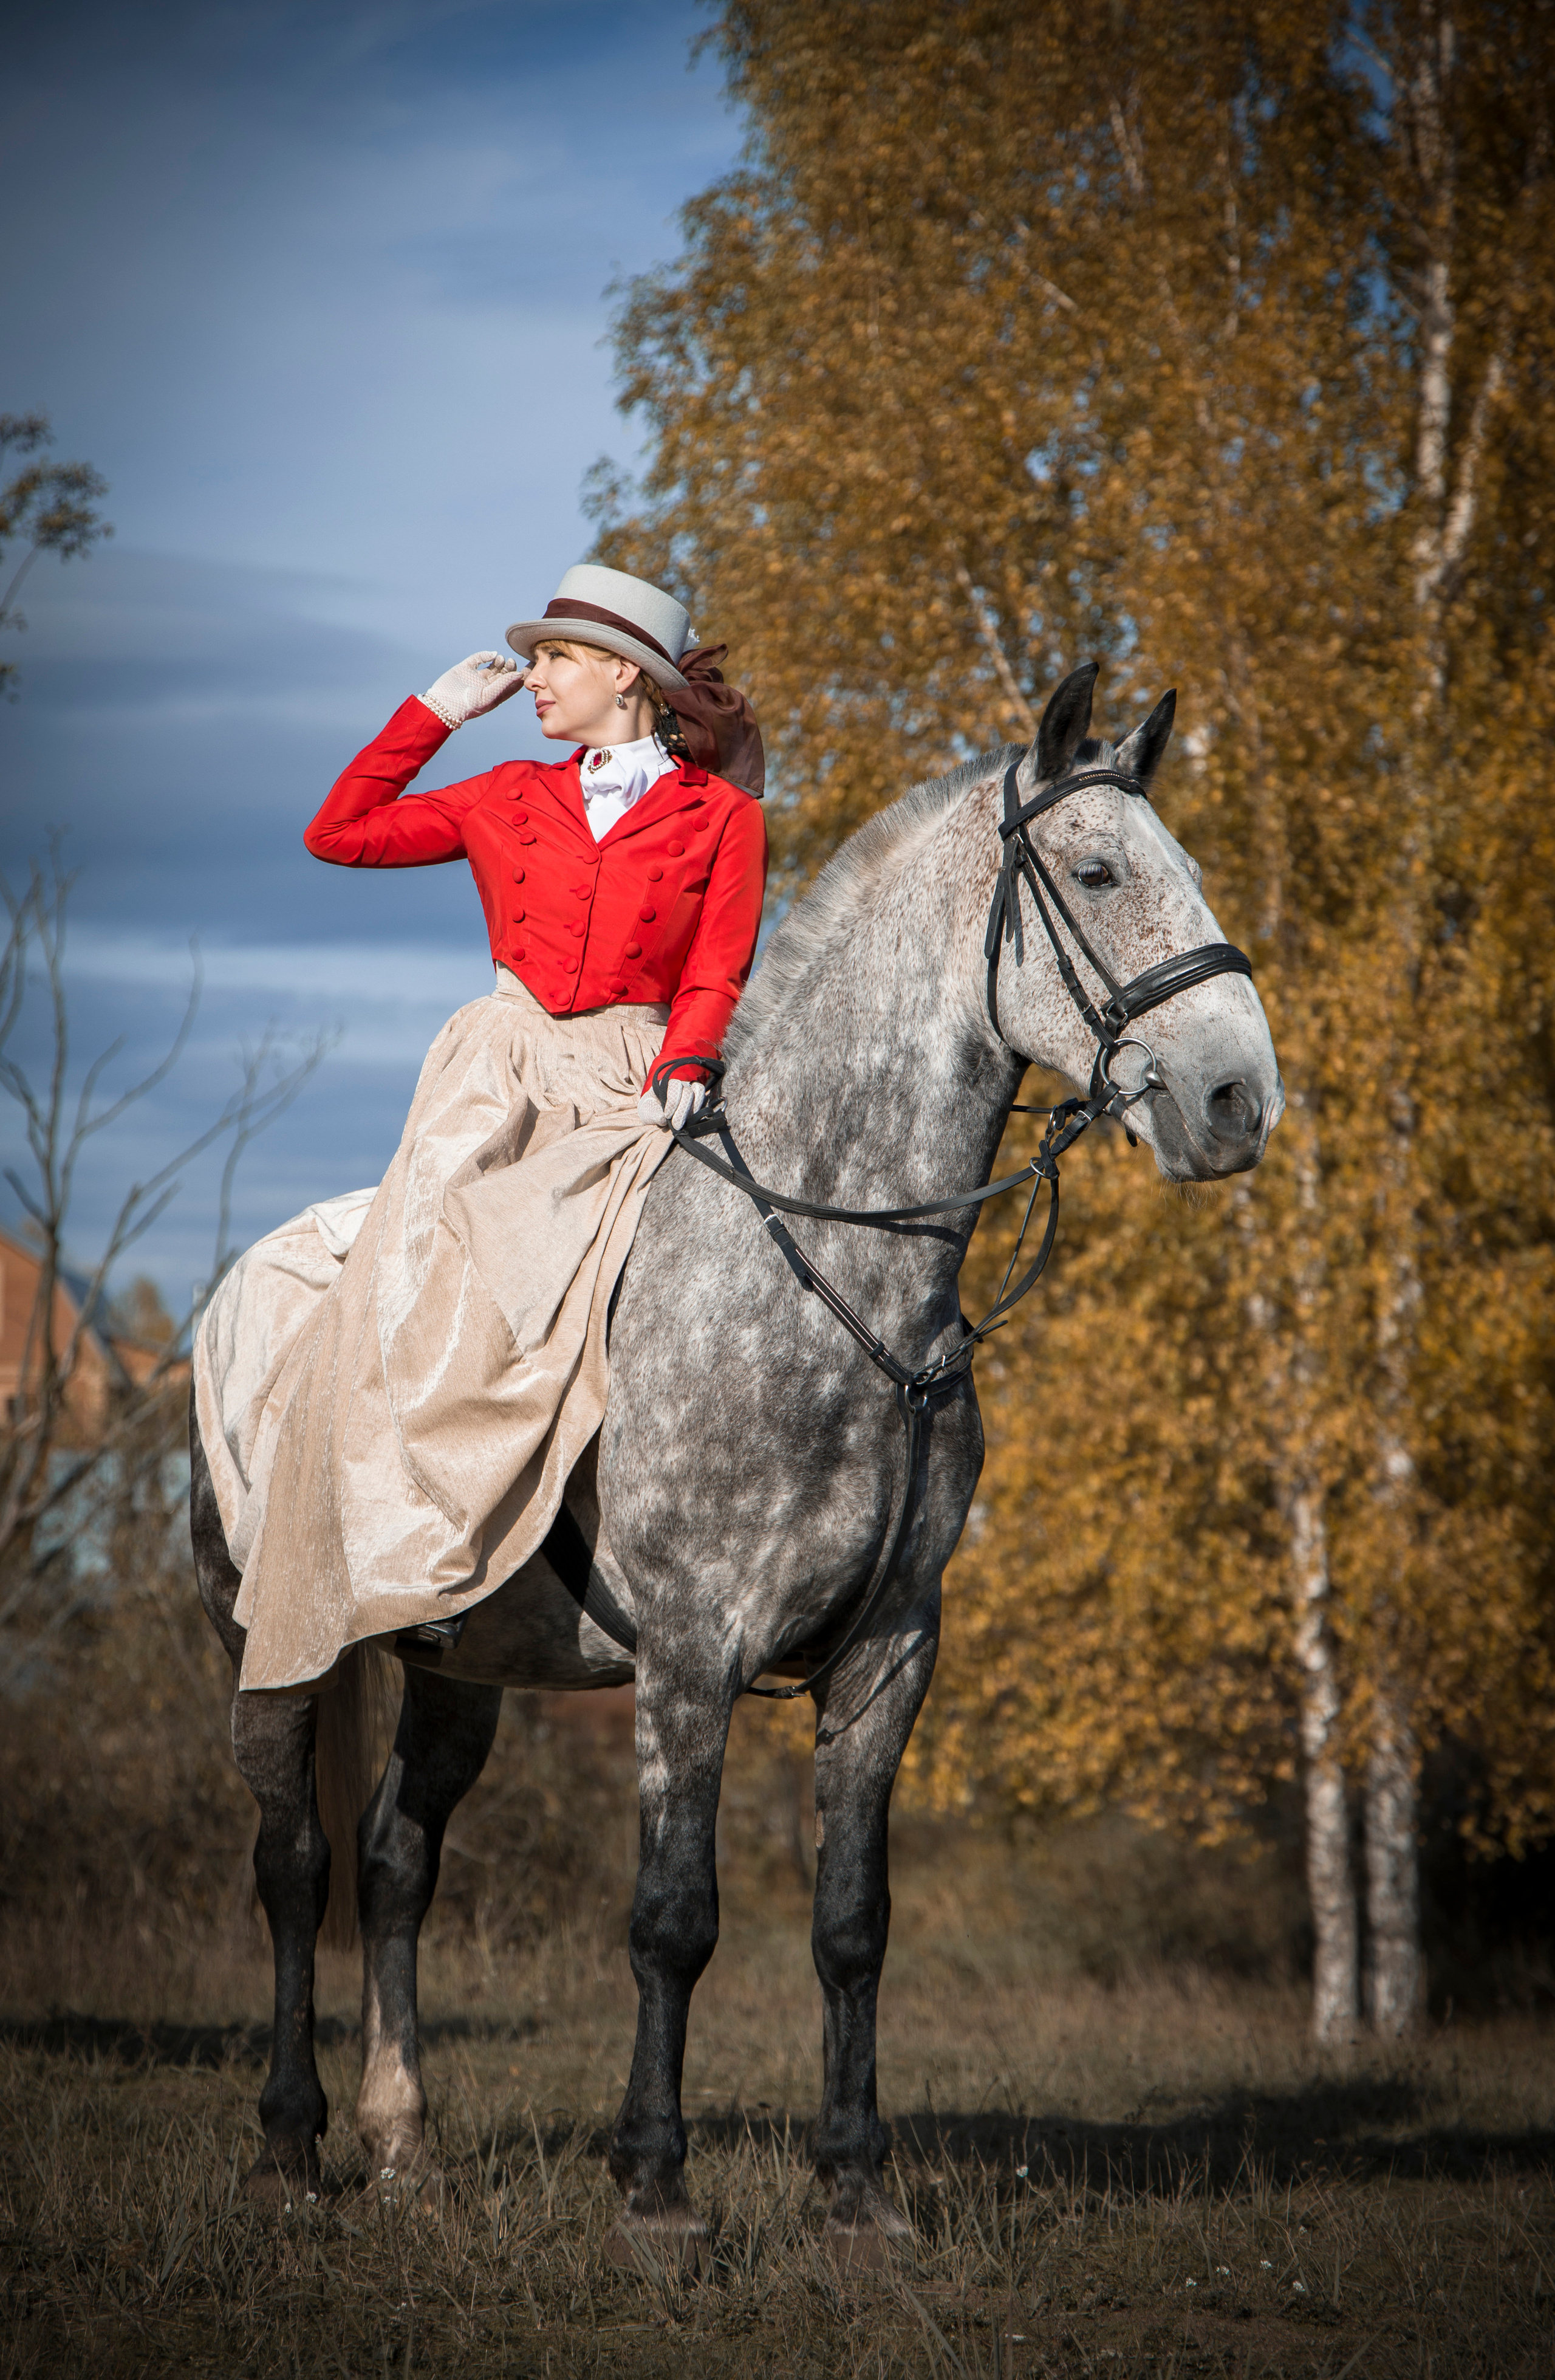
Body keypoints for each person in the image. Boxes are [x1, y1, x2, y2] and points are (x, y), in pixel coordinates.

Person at [194, 564, 767, 1690]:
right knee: (421, 1286)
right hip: (495, 1074)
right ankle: (410, 1555)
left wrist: (690, 1054)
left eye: (556, 659)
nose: (537, 679)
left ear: (624, 675)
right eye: (537, 659)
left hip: (638, 1078)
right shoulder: (505, 792)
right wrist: (431, 716)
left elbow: (720, 963)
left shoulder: (725, 819)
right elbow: (336, 833)